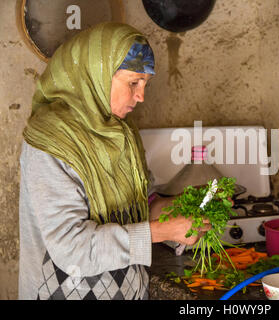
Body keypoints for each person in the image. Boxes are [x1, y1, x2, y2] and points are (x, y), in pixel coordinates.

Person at [18, 22, 210, 300]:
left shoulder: (122, 132)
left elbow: (142, 207)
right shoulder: (49, 143)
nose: (142, 96)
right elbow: (72, 248)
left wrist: (186, 206)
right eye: (133, 82)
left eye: (145, 84)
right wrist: (162, 231)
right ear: (97, 74)